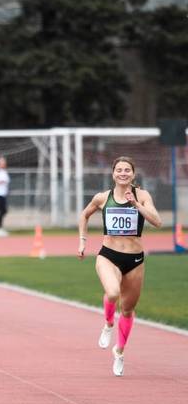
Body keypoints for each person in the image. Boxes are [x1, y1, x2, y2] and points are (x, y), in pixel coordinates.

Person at [78, 156, 162, 376]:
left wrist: (136, 205)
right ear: (113, 173)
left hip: (135, 260)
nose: (123, 173)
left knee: (127, 309)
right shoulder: (102, 197)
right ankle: (107, 324)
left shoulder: (142, 196)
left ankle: (120, 352)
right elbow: (84, 215)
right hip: (108, 255)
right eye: (119, 170)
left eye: (127, 170)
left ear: (133, 174)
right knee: (113, 292)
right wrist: (82, 241)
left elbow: (157, 221)